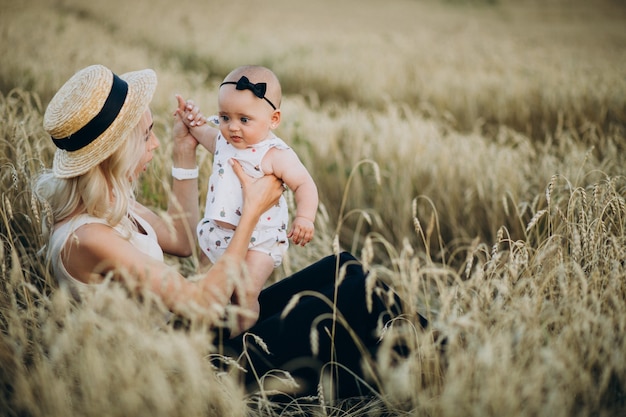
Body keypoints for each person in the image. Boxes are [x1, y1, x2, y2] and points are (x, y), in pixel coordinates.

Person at [34, 64, 411, 400]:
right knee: (332, 307)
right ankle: (426, 374)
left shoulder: (113, 202)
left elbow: (182, 241)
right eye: (147, 135)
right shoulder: (88, 236)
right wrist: (251, 213)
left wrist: (185, 151)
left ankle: (433, 361)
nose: (156, 143)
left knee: (344, 270)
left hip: (197, 335)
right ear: (116, 150)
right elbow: (199, 306)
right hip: (184, 372)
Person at [178, 65, 319, 332]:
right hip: (219, 234)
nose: (232, 127)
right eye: (224, 117)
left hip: (260, 242)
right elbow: (201, 132)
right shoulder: (223, 139)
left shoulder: (275, 154)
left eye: (244, 119)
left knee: (244, 294)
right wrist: (191, 118)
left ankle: (243, 337)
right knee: (207, 287)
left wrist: (305, 217)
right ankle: (208, 334)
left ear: (273, 119)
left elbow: (304, 184)